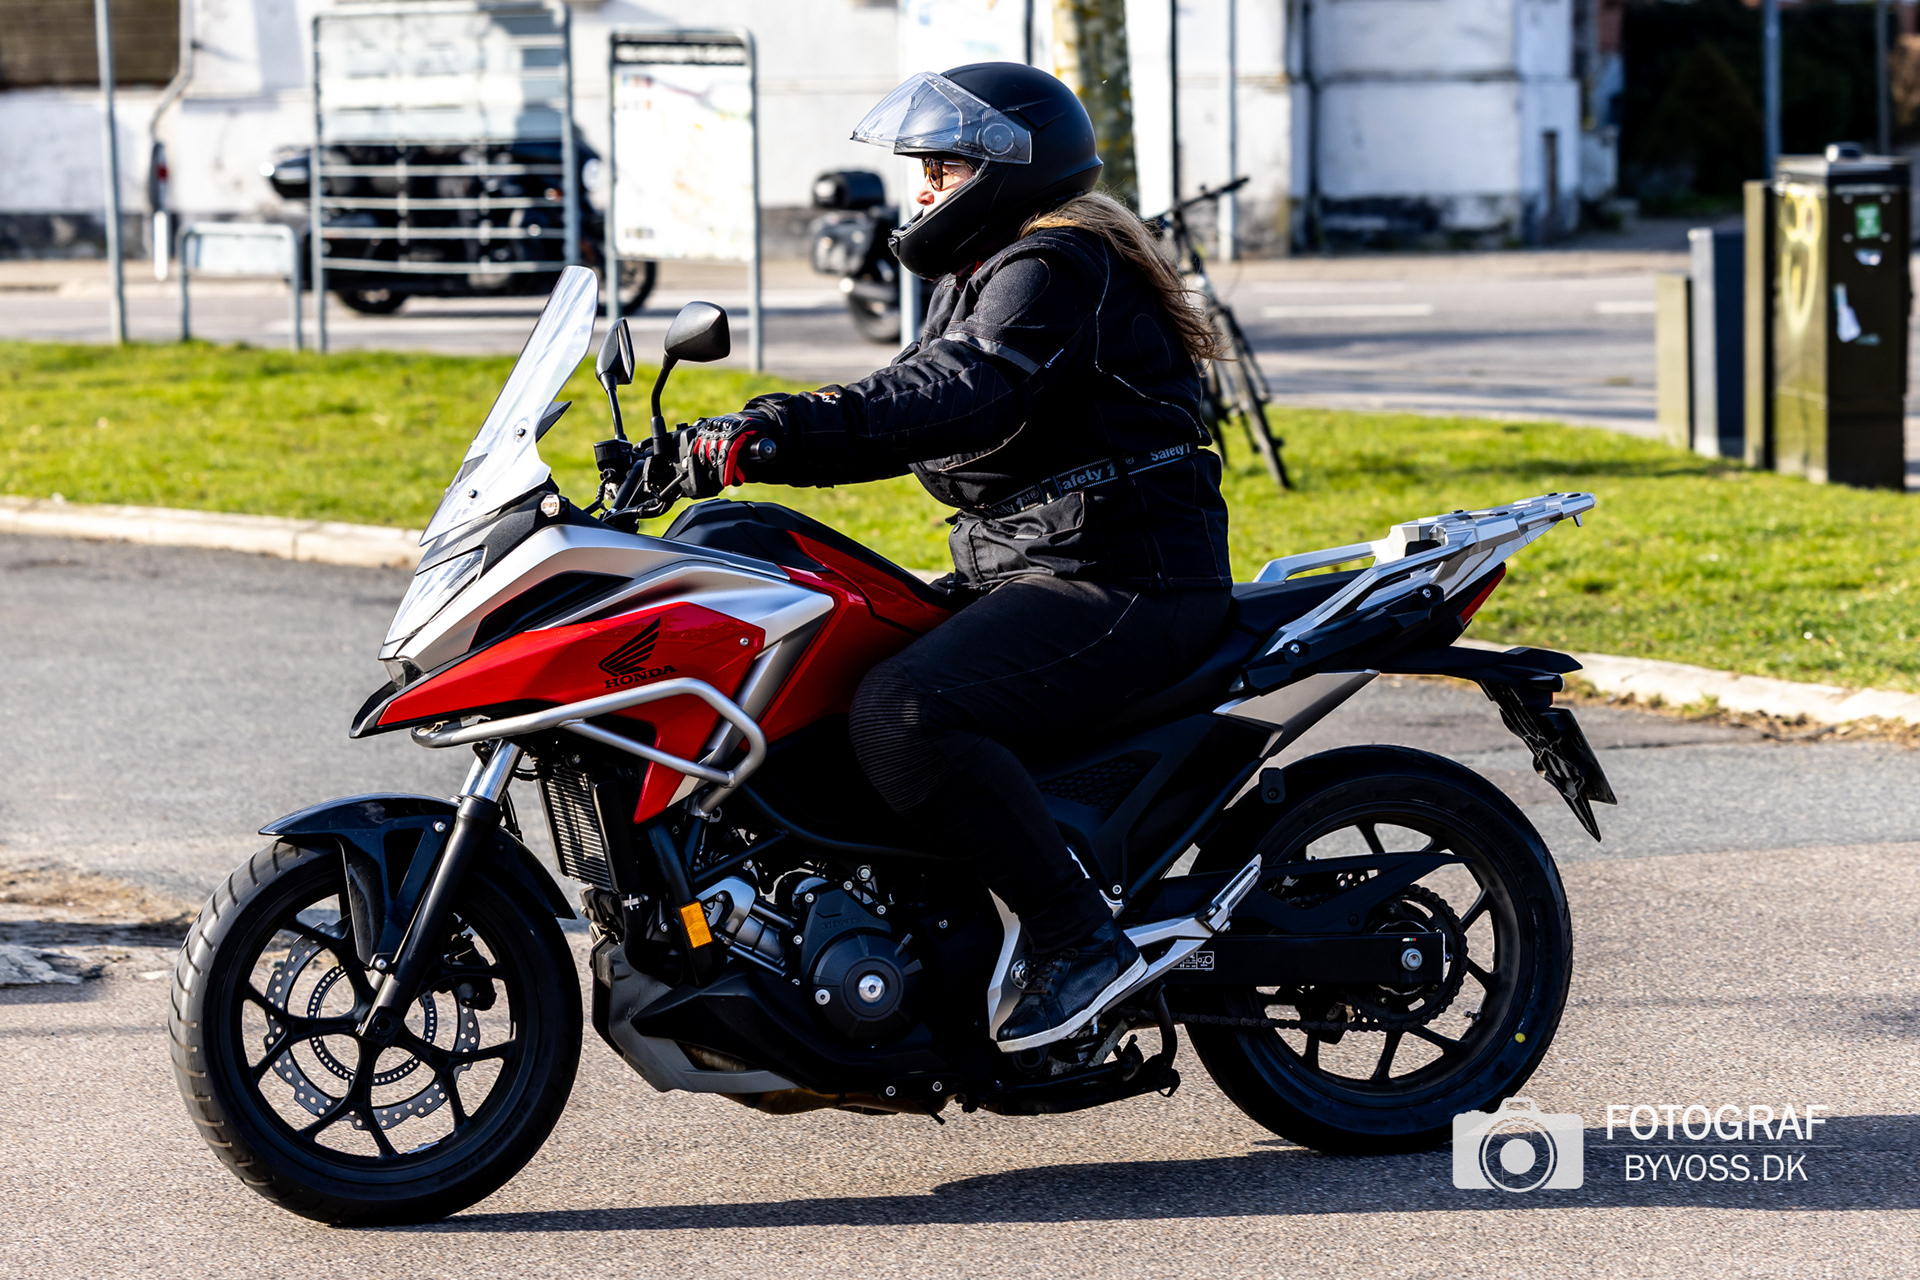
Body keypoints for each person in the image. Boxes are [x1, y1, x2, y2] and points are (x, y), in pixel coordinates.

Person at [684, 63, 1233, 1051]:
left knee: (904, 712)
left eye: (944, 168)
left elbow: (957, 393)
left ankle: (1080, 941)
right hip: (1034, 565)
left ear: (1010, 168)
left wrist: (769, 433)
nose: (924, 189)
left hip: (1122, 578)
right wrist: (715, 448)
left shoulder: (1055, 267)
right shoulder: (985, 272)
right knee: (825, 652)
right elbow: (899, 402)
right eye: (925, 168)